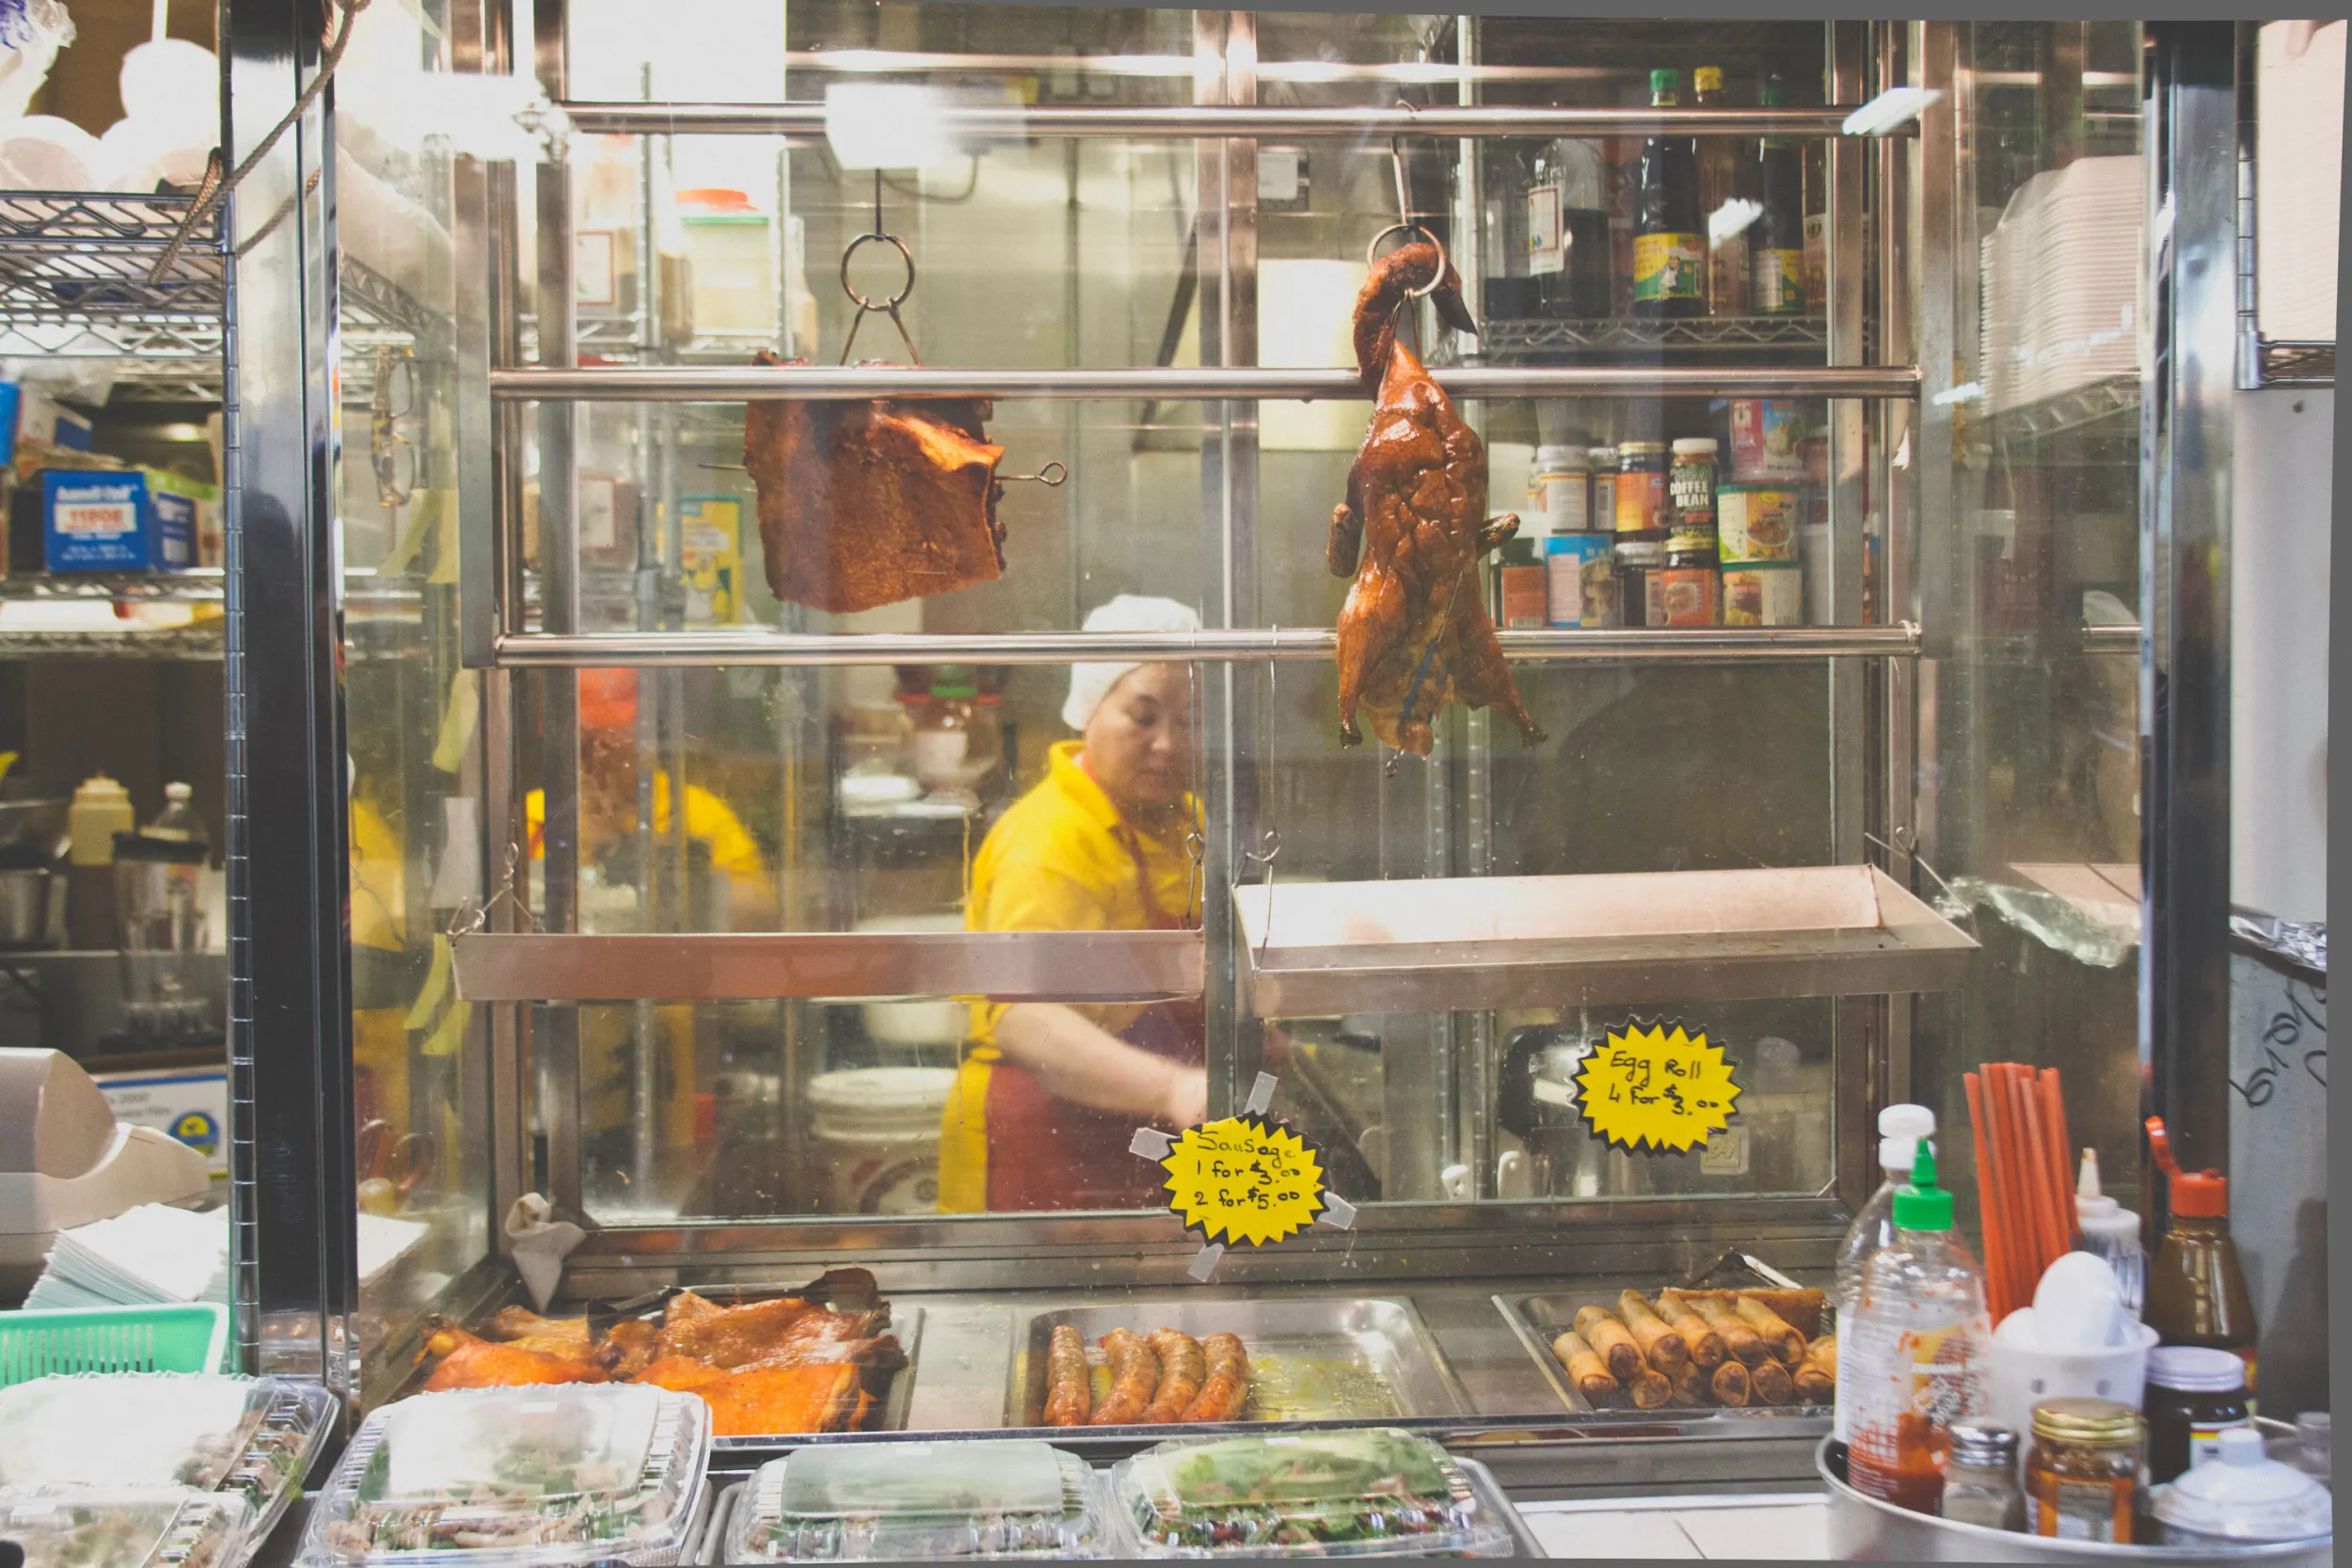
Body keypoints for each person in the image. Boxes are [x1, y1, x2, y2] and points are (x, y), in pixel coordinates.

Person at [938, 594, 1206, 1212]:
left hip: (1137, 1133)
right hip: (1036, 1137)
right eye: (1143, 717)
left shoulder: (1185, 820)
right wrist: (1176, 1086)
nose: (1167, 743)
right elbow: (1027, 1018)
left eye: (1189, 720)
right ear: (1090, 709)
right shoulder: (1050, 837)